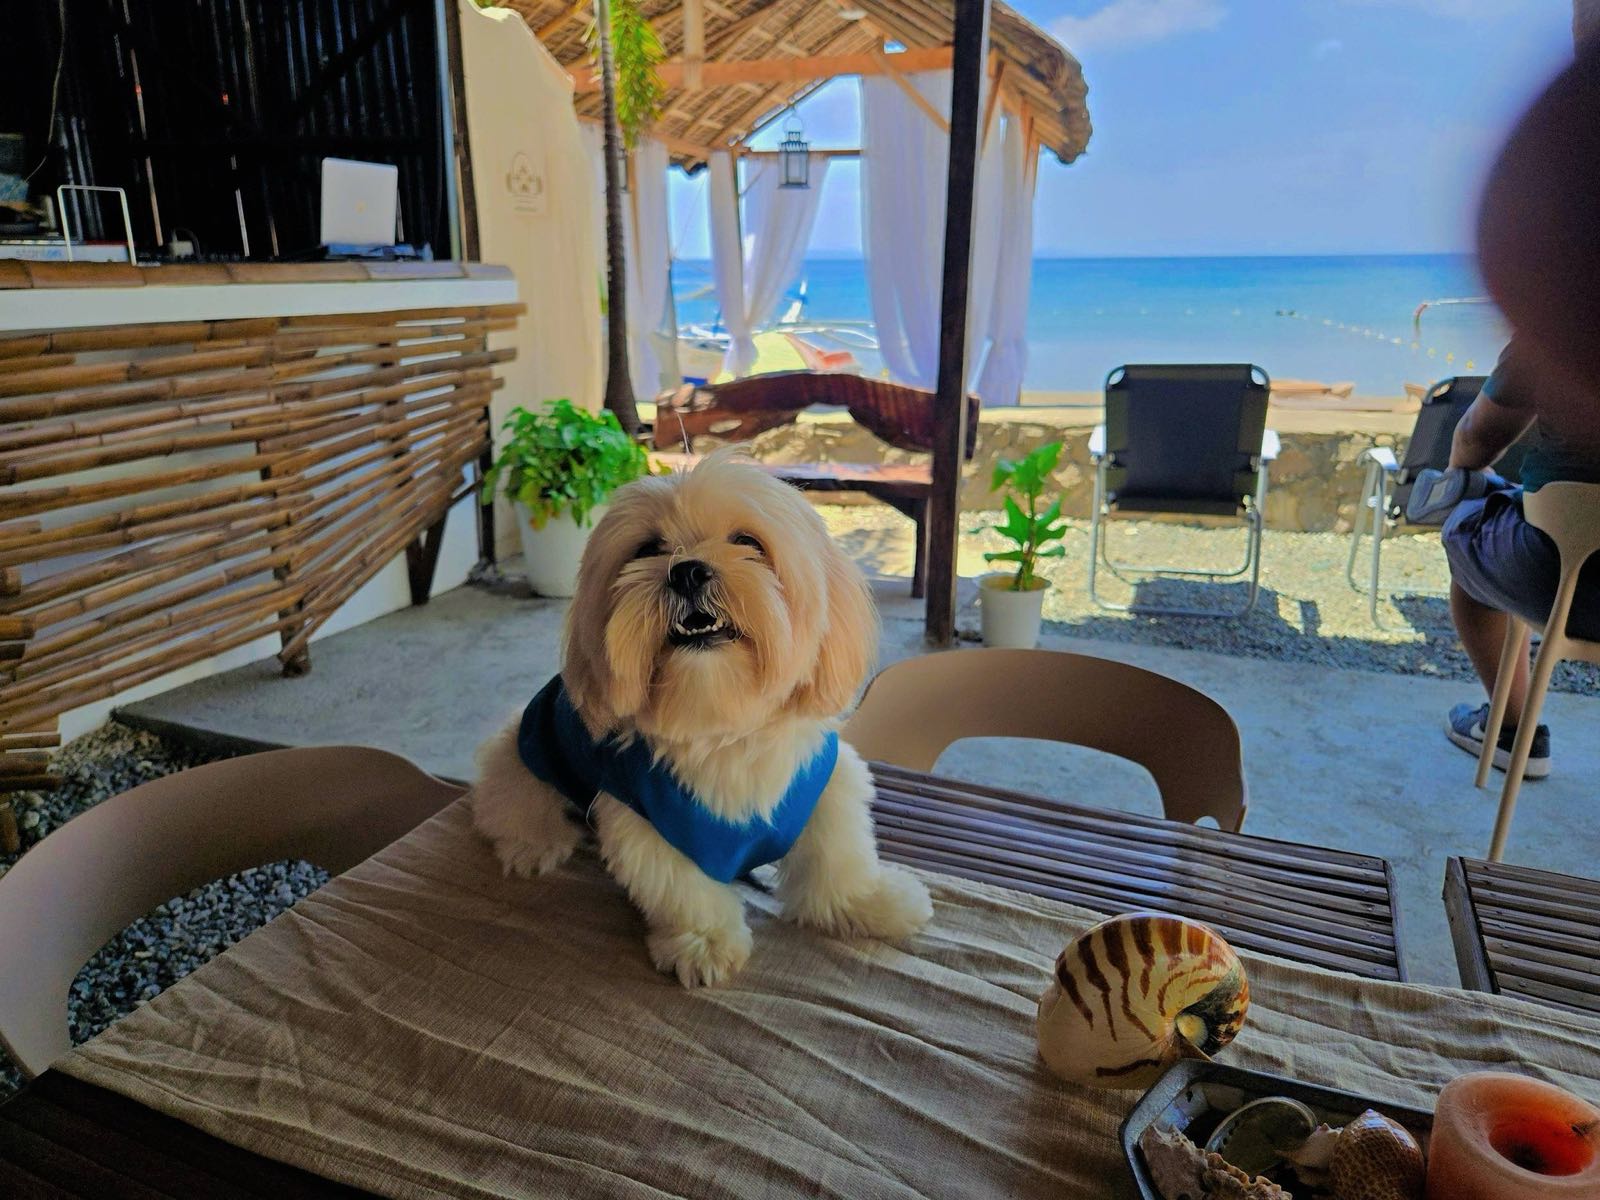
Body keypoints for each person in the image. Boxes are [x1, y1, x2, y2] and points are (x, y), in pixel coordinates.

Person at [1441, 339, 1600, 777]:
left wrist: (1463, 476)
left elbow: (1476, 437)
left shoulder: (1566, 315)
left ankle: (1514, 733)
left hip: (1569, 583)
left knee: (1469, 533)